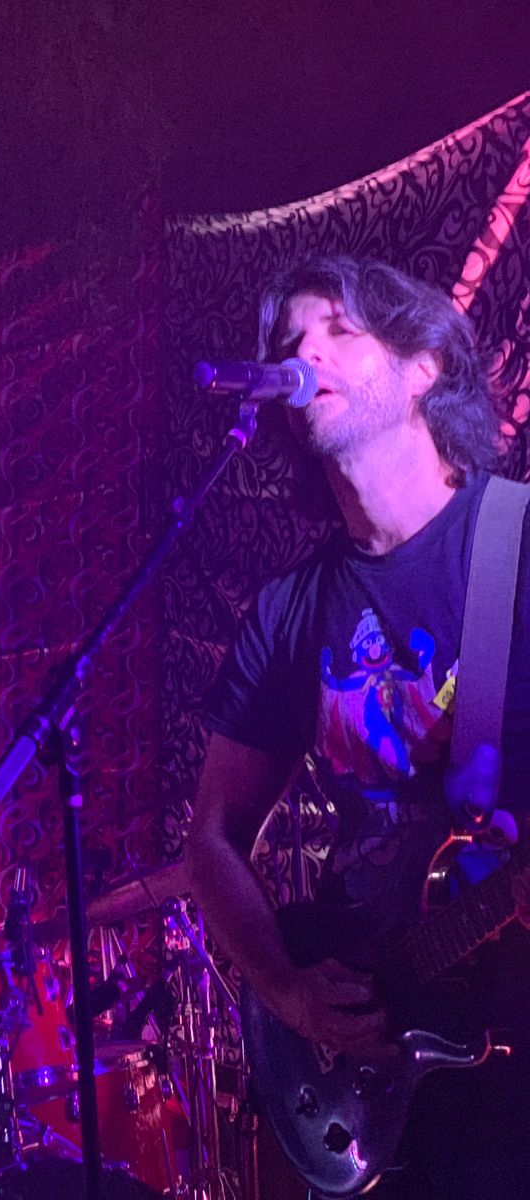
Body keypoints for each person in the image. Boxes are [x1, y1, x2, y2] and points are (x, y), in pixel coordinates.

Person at [186, 255, 530, 1197]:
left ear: (424, 367)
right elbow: (212, 839)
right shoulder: (290, 610)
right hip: (376, 1065)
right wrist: (287, 990)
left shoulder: (518, 548)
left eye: (339, 329)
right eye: (291, 340)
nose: (306, 351)